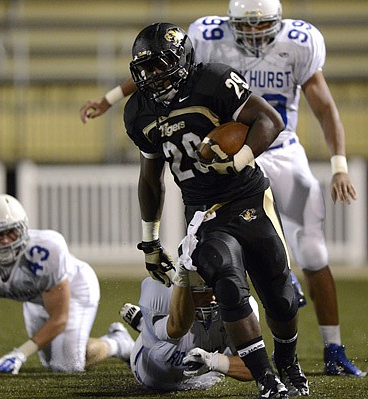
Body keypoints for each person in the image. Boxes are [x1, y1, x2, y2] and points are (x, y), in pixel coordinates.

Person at [79, 0, 362, 377]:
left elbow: (311, 110)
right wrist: (110, 99)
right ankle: (244, 306)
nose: (254, 33)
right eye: (245, 24)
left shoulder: (289, 46)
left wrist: (338, 165)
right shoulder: (197, 47)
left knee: (309, 247)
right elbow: (158, 73)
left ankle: (332, 345)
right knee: (219, 266)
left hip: (274, 144)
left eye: (262, 25)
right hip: (214, 162)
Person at [123, 22, 307, 398]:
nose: (153, 76)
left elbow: (269, 120)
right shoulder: (139, 111)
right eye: (145, 69)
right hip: (203, 212)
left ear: (183, 59)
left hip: (249, 196)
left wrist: (238, 159)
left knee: (280, 296)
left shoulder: (214, 81)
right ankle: (267, 381)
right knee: (227, 284)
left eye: (160, 65)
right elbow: (150, 179)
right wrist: (150, 240)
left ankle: (287, 362)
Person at [0, 194, 134, 374]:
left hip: (74, 288)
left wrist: (20, 353)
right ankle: (89, 345)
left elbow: (59, 319)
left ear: (23, 229)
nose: (4, 241)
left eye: (11, 232)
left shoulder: (46, 249)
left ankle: (118, 343)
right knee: (52, 362)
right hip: (37, 298)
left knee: (67, 365)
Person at [120, 273, 258, 391]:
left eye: (214, 289)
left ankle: (146, 323)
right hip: (152, 375)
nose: (212, 297)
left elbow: (255, 366)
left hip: (203, 378)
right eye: (203, 291)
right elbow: (176, 329)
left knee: (241, 346)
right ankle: (144, 325)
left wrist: (214, 361)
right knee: (158, 338)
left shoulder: (236, 304)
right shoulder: (163, 296)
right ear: (187, 290)